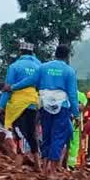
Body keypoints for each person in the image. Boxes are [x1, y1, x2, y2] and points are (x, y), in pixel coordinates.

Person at [32, 44, 80, 172]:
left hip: (44, 106)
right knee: (58, 137)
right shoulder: (69, 71)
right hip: (62, 108)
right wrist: (76, 114)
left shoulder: (43, 67)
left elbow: (31, 81)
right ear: (67, 56)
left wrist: (13, 87)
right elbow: (72, 95)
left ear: (55, 53)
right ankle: (52, 169)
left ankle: (44, 166)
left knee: (46, 135)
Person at [0, 41, 42, 165]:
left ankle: (19, 159)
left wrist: (0, 106)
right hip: (33, 102)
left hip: (17, 104)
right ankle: (37, 163)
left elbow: (7, 89)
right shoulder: (39, 66)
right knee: (31, 133)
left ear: (20, 52)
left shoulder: (15, 66)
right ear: (32, 52)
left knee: (18, 130)